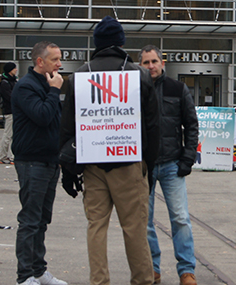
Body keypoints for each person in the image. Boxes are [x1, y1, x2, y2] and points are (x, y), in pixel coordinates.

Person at [60, 16, 159, 285]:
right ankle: (142, 280)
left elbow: (67, 127)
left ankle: (99, 281)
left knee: (96, 226)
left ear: (97, 44)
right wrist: (147, 166)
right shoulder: (138, 74)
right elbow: (152, 125)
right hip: (129, 162)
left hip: (92, 164)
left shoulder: (79, 75)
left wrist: (68, 170)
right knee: (135, 228)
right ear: (121, 42)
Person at [139, 45, 199, 285]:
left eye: (154, 61)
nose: (151, 66)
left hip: (173, 163)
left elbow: (191, 125)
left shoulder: (178, 88)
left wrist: (187, 158)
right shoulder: (134, 90)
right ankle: (152, 268)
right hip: (143, 166)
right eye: (146, 62)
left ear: (162, 63)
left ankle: (186, 270)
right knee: (145, 220)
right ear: (140, 65)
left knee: (180, 218)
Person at [12, 42, 68, 285]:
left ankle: (38, 270)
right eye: (55, 59)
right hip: (31, 162)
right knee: (30, 220)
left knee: (42, 220)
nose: (59, 64)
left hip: (49, 161)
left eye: (59, 59)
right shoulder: (26, 87)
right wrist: (54, 91)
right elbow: (43, 116)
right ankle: (24, 276)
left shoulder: (47, 84)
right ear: (40, 62)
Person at [0, 61, 18, 164]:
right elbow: (10, 97)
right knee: (8, 134)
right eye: (14, 68)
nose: (16, 70)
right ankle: (4, 156)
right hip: (10, 111)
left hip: (14, 111)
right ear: (10, 70)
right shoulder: (5, 83)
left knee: (12, 134)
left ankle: (8, 156)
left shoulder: (12, 81)